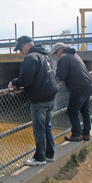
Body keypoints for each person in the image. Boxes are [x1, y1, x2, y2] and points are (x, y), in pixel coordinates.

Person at [8, 35, 58, 166]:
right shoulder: (45, 57)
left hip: (39, 99)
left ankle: (39, 157)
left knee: (39, 129)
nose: (20, 52)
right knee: (47, 126)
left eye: (20, 48)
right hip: (50, 97)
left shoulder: (31, 57)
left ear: (28, 45)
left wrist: (13, 83)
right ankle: (50, 154)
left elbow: (26, 79)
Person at [51, 42, 92, 142]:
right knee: (85, 111)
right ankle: (86, 133)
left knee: (72, 111)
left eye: (56, 53)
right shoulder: (74, 55)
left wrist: (52, 83)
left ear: (60, 50)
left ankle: (76, 134)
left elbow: (60, 75)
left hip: (78, 88)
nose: (56, 56)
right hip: (88, 85)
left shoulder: (64, 57)